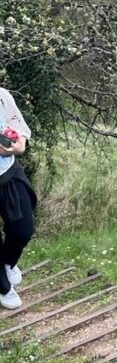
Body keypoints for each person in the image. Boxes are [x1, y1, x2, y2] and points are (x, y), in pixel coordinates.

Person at [0, 88, 36, 310]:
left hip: (8, 172)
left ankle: (6, 261)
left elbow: (18, 126)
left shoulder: (2, 95)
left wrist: (19, 143)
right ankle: (3, 287)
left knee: (23, 230)